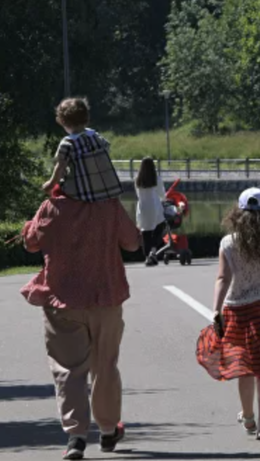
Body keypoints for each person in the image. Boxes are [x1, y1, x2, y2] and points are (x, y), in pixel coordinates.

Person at [19, 194, 141, 460]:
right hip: (106, 297)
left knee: (68, 370)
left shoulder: (52, 205)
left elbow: (30, 244)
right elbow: (132, 243)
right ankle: (108, 430)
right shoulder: (109, 204)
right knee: (105, 365)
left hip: (62, 300)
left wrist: (33, 222)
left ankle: (76, 437)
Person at [196, 188, 260, 441]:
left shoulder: (228, 243)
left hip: (238, 311)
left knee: (244, 366)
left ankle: (249, 416)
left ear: (237, 214)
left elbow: (222, 278)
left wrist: (216, 310)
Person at [42, 97, 123, 202]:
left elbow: (60, 167)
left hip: (81, 193)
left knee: (57, 190)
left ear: (61, 121)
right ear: (87, 118)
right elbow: (106, 151)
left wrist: (50, 184)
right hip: (107, 190)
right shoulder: (96, 136)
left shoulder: (68, 143)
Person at [134, 157, 166, 266]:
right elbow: (162, 194)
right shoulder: (156, 178)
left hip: (142, 207)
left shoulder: (138, 179)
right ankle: (153, 251)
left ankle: (147, 256)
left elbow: (138, 195)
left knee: (145, 233)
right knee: (160, 227)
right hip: (154, 207)